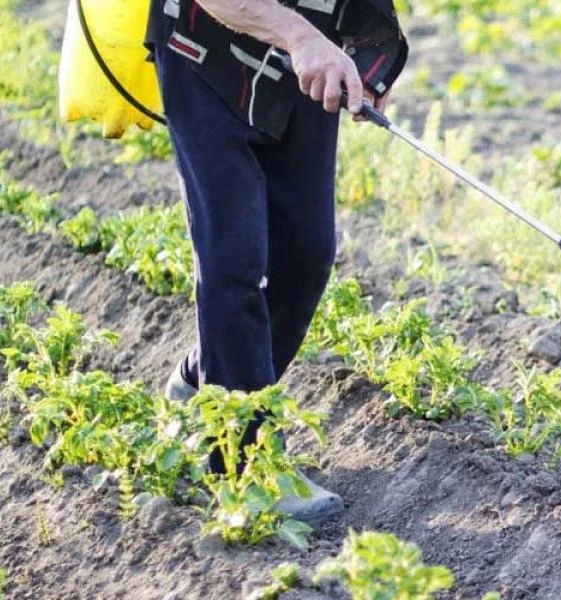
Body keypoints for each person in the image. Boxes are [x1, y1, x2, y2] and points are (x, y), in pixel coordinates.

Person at [144, 0, 408, 523]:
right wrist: (301, 38)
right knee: (234, 258)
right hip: (205, 53)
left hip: (301, 60)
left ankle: (199, 381)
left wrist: (369, 48)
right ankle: (244, 467)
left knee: (306, 253)